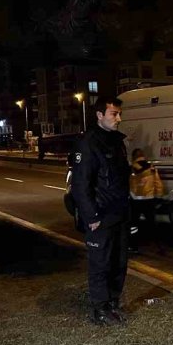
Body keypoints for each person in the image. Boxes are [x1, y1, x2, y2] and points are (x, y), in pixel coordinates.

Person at [71, 98, 131, 326]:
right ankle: (100, 309)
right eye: (114, 114)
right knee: (100, 264)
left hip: (120, 213)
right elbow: (80, 184)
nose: (118, 119)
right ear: (99, 115)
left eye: (119, 114)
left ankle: (112, 303)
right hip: (101, 216)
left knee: (118, 262)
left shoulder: (117, 142)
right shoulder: (87, 143)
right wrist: (91, 217)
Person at [128, 148, 164, 254]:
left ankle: (133, 246)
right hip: (149, 200)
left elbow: (129, 184)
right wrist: (159, 197)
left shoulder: (132, 168)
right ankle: (160, 246)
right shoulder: (151, 168)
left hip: (136, 201)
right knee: (152, 224)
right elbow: (158, 183)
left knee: (133, 224)